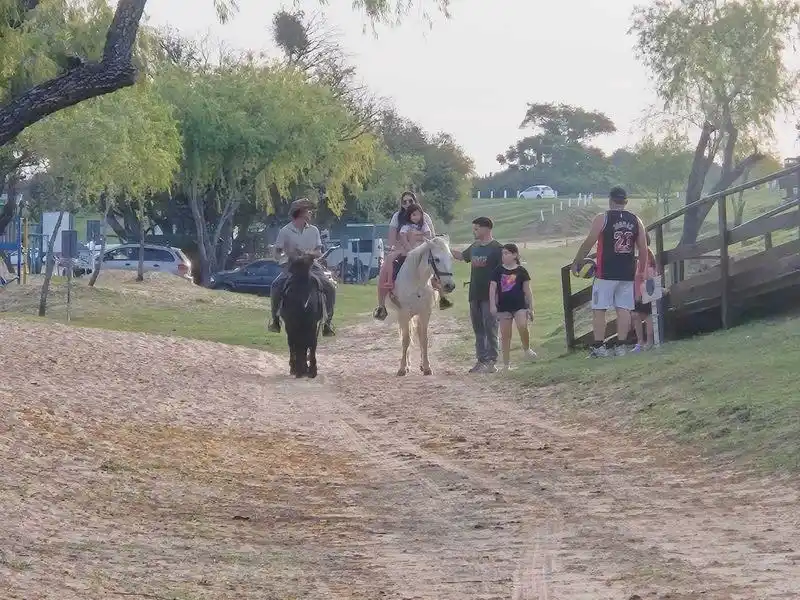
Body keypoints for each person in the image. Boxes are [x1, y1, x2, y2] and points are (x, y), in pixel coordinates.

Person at [572, 186, 647, 358]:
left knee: (600, 309)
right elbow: (643, 249)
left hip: (605, 272)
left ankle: (599, 347)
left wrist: (577, 261)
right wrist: (641, 272)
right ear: (626, 202)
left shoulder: (602, 218)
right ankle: (621, 346)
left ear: (610, 200)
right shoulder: (636, 220)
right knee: (624, 309)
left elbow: (589, 242)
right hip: (627, 272)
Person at [373, 191, 452, 320]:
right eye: (404, 202)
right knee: (387, 264)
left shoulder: (425, 217)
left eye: (410, 201)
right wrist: (401, 248)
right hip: (403, 249)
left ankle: (443, 296)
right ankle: (381, 306)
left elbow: (431, 237)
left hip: (424, 249)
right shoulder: (397, 217)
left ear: (415, 201)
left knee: (436, 263)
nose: (407, 203)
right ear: (401, 203)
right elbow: (393, 238)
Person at [268, 198, 336, 337]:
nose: (310, 213)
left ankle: (327, 322)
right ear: (300, 213)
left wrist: (311, 253)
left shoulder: (314, 230)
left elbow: (319, 251)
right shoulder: (285, 231)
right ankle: (275, 320)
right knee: (276, 285)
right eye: (308, 210)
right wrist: (283, 254)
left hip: (311, 264)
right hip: (292, 265)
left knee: (330, 287)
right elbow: (277, 251)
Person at [452, 216, 503, 373]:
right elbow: (461, 256)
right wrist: (444, 247)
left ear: (486, 228)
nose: (474, 232)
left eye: (476, 229)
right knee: (478, 329)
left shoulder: (497, 249)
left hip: (490, 296)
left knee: (491, 328)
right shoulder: (474, 247)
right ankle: (481, 360)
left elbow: (505, 274)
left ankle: (492, 361)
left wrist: (499, 296)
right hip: (474, 294)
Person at [489, 243, 537, 370]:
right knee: (505, 335)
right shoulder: (498, 270)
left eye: (506, 253)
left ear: (515, 255)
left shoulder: (521, 271)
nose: (504, 256)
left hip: (520, 305)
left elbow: (528, 290)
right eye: (502, 253)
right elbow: (492, 288)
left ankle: (527, 348)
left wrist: (531, 307)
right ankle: (506, 364)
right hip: (503, 307)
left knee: (522, 326)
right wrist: (492, 305)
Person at [632, 232, 658, 352]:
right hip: (639, 292)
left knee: (647, 316)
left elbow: (648, 275)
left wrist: (641, 293)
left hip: (646, 291)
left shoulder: (647, 255)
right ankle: (640, 342)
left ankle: (649, 341)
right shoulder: (640, 256)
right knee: (636, 315)